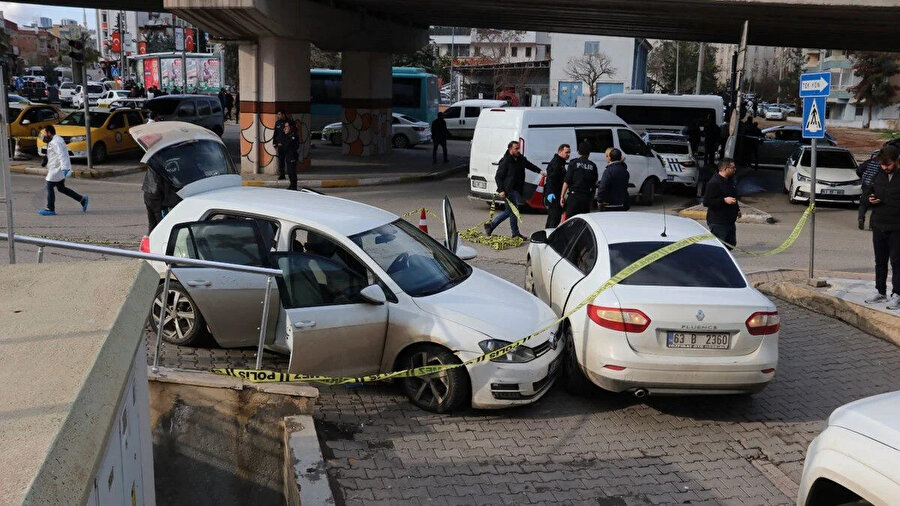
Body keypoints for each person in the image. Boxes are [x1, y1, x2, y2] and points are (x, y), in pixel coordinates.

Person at [483, 140, 544, 240]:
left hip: (515, 189)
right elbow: (498, 177)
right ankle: (514, 233)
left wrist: (540, 171)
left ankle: (491, 226)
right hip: (508, 190)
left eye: (518, 148)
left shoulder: (519, 158)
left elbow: (529, 165)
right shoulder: (505, 161)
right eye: (516, 148)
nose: (518, 150)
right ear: (510, 149)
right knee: (513, 211)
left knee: (510, 211)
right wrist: (501, 190)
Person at [864, 145, 900, 309]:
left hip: (897, 227)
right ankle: (880, 291)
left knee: (897, 262)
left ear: (897, 161)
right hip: (878, 225)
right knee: (880, 261)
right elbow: (867, 194)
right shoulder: (877, 175)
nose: (885, 168)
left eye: (888, 164)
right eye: (882, 164)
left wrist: (885, 199)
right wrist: (870, 198)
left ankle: (897, 294)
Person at [39, 125, 88, 216]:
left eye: (45, 134)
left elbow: (62, 155)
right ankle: (82, 199)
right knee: (61, 189)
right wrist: (45, 160)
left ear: (49, 133)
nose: (44, 136)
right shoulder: (55, 140)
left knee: (49, 186)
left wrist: (65, 168)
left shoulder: (55, 142)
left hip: (57, 169)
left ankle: (50, 208)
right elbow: (51, 153)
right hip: (57, 168)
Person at [703, 158, 740, 249]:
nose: (735, 169)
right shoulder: (714, 183)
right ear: (724, 169)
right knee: (719, 248)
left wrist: (737, 209)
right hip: (718, 221)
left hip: (729, 220)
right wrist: (724, 200)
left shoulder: (730, 180)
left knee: (730, 245)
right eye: (732, 167)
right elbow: (707, 202)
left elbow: (733, 196)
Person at [560, 141, 599, 219]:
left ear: (578, 152)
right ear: (589, 153)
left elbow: (567, 181)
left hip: (574, 197)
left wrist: (562, 196)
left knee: (570, 221)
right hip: (586, 198)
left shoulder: (573, 163)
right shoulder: (593, 166)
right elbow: (594, 185)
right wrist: (590, 201)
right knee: (582, 223)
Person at [544, 144, 570, 228]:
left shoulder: (560, 162)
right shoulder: (557, 163)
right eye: (566, 152)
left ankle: (547, 235)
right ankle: (549, 236)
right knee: (555, 218)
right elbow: (551, 179)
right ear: (560, 151)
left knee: (553, 217)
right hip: (554, 194)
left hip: (556, 193)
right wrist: (550, 193)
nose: (568, 154)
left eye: (569, 152)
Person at [596, 148, 630, 212]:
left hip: (610, 205)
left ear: (610, 158)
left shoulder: (609, 171)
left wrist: (599, 201)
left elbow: (603, 187)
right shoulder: (625, 171)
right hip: (623, 204)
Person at [857, 153, 881, 230]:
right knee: (875, 205)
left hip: (866, 185)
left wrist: (863, 178)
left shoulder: (869, 162)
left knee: (863, 203)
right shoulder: (883, 164)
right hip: (877, 185)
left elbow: (859, 170)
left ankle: (861, 218)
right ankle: (871, 225)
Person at [273, 111, 293, 181]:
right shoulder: (277, 123)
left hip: (287, 145)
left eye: (279, 114)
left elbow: (292, 133)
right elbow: (275, 134)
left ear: (283, 114)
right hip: (280, 145)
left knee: (289, 160)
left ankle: (291, 174)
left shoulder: (289, 122)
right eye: (277, 114)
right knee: (281, 160)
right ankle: (282, 174)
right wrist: (275, 144)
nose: (278, 116)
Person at [281, 121, 301, 190]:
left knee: (292, 172)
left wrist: (286, 136)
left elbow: (288, 145)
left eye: (286, 126)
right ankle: (291, 185)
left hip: (292, 156)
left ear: (290, 127)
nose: (285, 128)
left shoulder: (293, 136)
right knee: (289, 172)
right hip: (288, 156)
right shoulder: (288, 135)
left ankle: (294, 186)